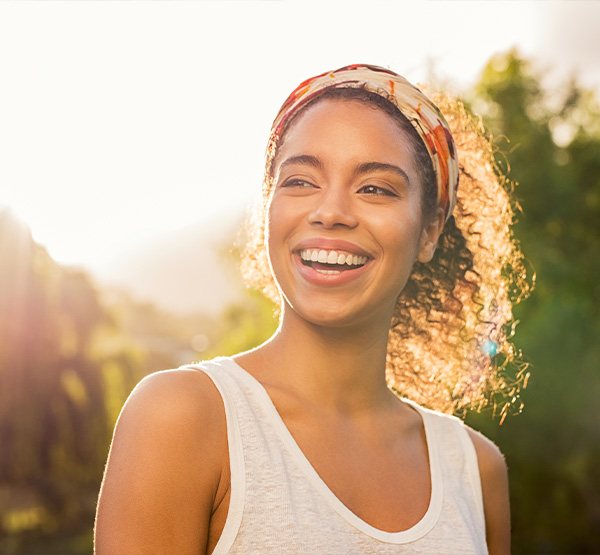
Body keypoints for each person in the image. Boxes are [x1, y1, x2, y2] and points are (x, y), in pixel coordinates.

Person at [95, 64, 530, 554]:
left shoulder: (475, 469)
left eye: (375, 188)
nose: (330, 212)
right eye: (300, 181)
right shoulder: (183, 418)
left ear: (429, 231)